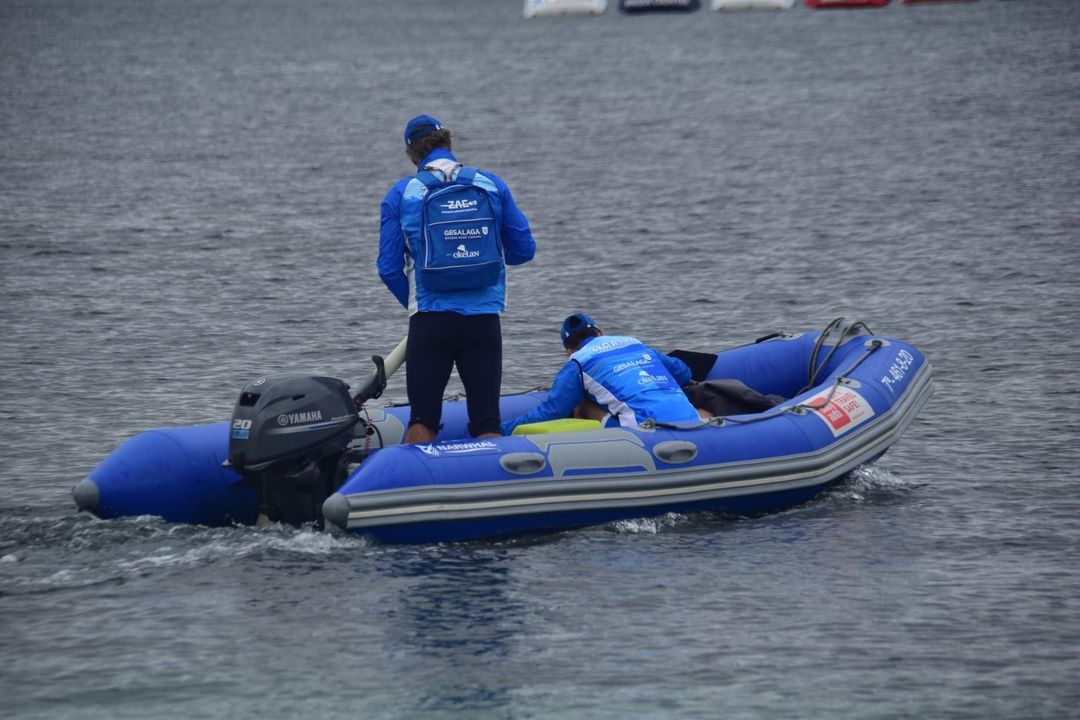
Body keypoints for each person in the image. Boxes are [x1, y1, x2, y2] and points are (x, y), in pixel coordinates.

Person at [378, 114, 536, 444]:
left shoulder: (402, 193)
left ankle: (411, 477)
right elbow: (523, 250)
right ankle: (492, 474)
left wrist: (415, 304)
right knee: (488, 423)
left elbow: (389, 268)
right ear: (449, 143)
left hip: (430, 320)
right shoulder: (490, 184)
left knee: (422, 422)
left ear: (412, 156)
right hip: (483, 320)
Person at [501, 313, 702, 436]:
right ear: (601, 332)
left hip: (644, 431)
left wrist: (503, 429)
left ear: (568, 350)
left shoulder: (578, 362)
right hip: (691, 420)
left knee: (582, 404)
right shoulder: (634, 343)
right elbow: (684, 373)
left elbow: (553, 411)